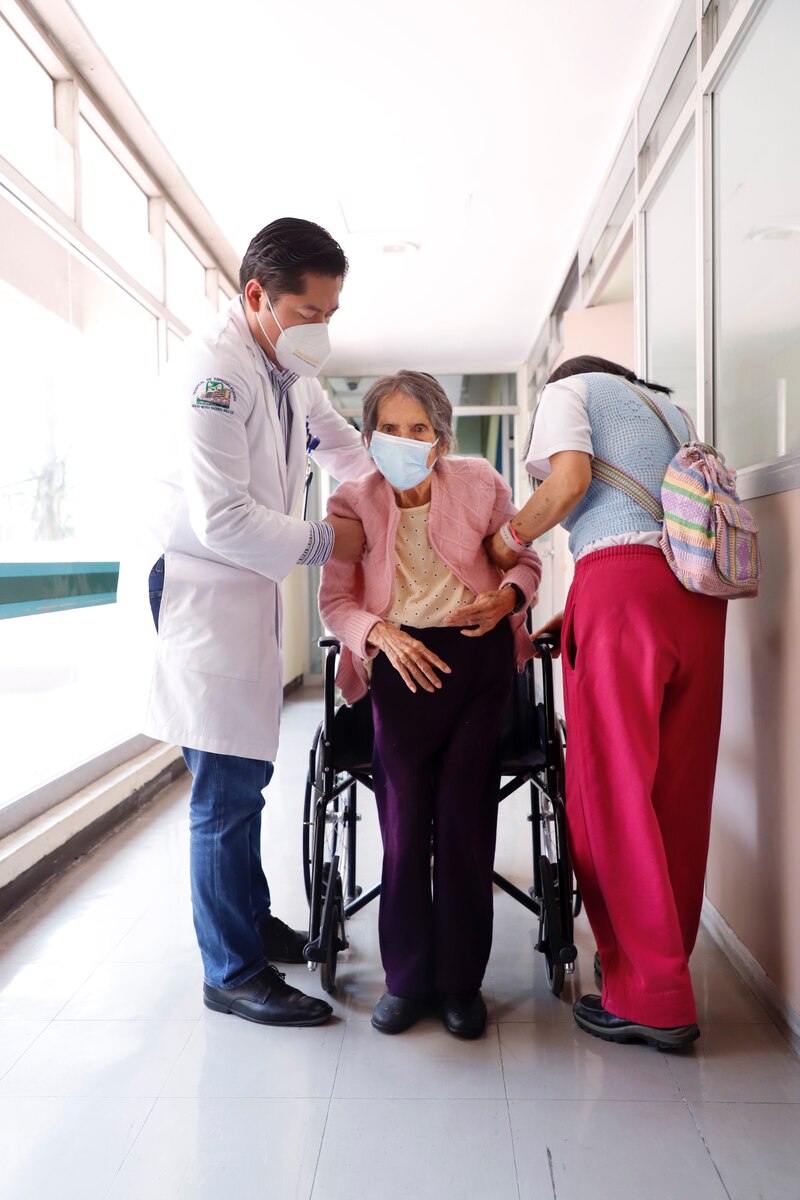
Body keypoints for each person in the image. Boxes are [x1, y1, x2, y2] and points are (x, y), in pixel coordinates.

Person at [144, 218, 372, 1027]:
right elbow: (222, 519)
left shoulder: (287, 367)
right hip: (204, 590)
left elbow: (340, 447)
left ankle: (253, 924)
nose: (323, 331)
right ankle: (231, 971)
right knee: (224, 788)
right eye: (312, 312)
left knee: (250, 773)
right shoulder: (218, 372)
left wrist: (404, 500)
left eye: (332, 313)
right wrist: (329, 538)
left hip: (247, 593)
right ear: (257, 297)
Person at [488, 355, 728, 1051]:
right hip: (697, 598)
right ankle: (664, 969)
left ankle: (648, 997)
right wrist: (582, 614)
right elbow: (653, 521)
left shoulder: (568, 390)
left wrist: (507, 542)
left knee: (612, 795)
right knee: (677, 795)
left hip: (621, 591)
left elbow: (570, 484)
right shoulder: (672, 412)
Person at [319, 371, 542, 1038]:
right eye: (391, 427)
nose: (405, 439)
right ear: (368, 435)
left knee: (465, 819)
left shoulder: (481, 483)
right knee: (406, 822)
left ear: (441, 440)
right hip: (398, 667)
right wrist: (378, 632)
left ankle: (459, 983)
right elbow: (337, 603)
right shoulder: (352, 500)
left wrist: (505, 600)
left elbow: (523, 564)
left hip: (478, 663)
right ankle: (408, 979)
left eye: (420, 429)